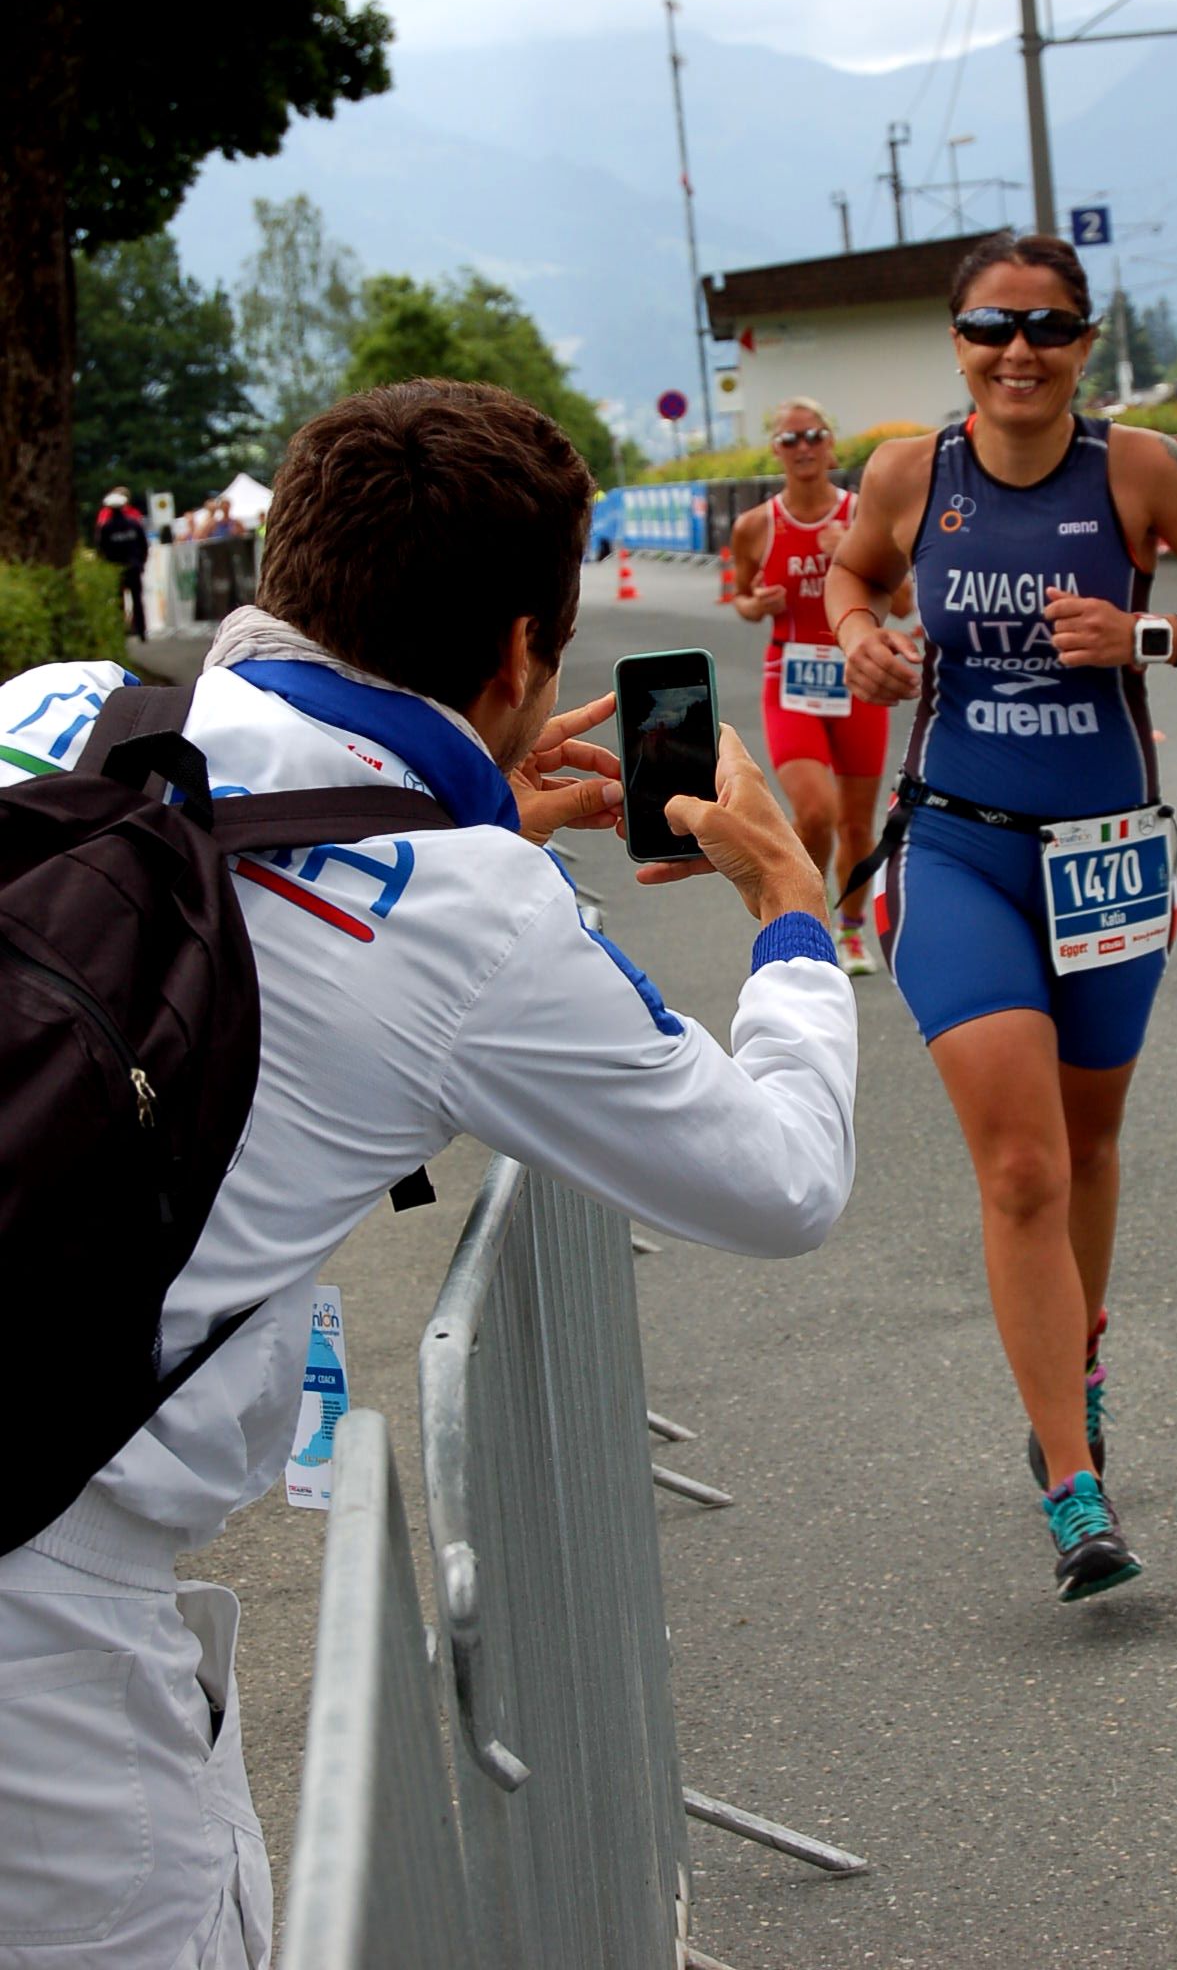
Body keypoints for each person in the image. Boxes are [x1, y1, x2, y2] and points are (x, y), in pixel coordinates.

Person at [0, 379, 857, 1967]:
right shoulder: (472, 915)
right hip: (41, 1606)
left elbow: (268, 876)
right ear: (525, 656)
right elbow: (785, 1179)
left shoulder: (62, 704)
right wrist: (794, 918)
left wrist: (449, 831)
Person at [825, 232, 1177, 1603]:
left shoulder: (1138, 470)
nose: (1017, 353)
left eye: (1047, 328)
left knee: (1090, 1143)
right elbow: (853, 577)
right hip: (960, 850)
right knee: (1024, 1164)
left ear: (1087, 343)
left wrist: (1150, 639)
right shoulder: (916, 472)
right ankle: (1070, 1483)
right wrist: (862, 635)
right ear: (958, 343)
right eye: (990, 329)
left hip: (1108, 864)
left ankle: (1075, 1361)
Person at [731, 397, 912, 976]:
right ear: (776, 452)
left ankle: (852, 931)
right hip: (791, 682)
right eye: (790, 439)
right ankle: (801, 923)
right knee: (814, 809)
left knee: (857, 824)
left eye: (814, 435)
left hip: (857, 678)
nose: (803, 447)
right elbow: (741, 598)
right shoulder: (756, 526)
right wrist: (754, 603)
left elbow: (904, 603)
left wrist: (849, 557)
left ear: (832, 444)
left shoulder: (865, 515)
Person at [95, 486, 150, 640]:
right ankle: (141, 631)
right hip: (134, 567)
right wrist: (141, 562)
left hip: (116, 569)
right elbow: (144, 545)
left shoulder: (106, 528)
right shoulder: (133, 524)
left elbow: (101, 549)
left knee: (119, 602)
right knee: (137, 600)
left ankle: (121, 632)